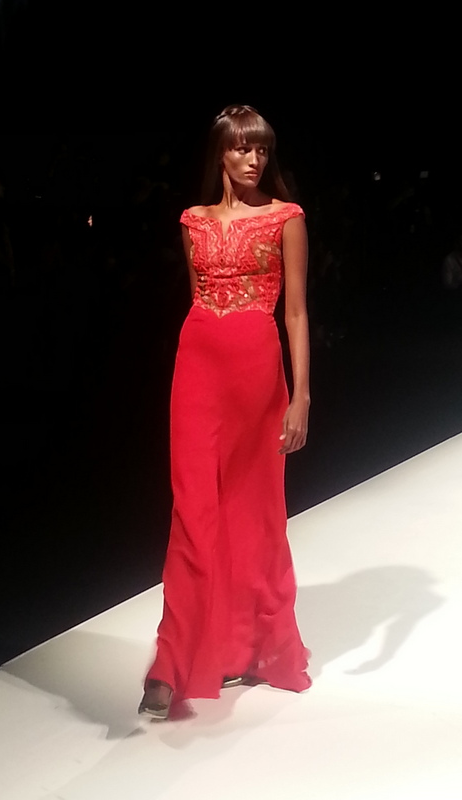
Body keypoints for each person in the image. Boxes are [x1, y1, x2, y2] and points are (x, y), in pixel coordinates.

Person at [139, 104, 312, 720]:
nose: (254, 159)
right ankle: (171, 663)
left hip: (258, 378)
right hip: (198, 370)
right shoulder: (192, 222)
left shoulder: (287, 218)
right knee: (193, 510)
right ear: (221, 153)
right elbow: (198, 301)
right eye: (242, 148)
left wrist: (302, 395)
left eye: (262, 149)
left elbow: (295, 312)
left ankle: (246, 646)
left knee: (253, 513)